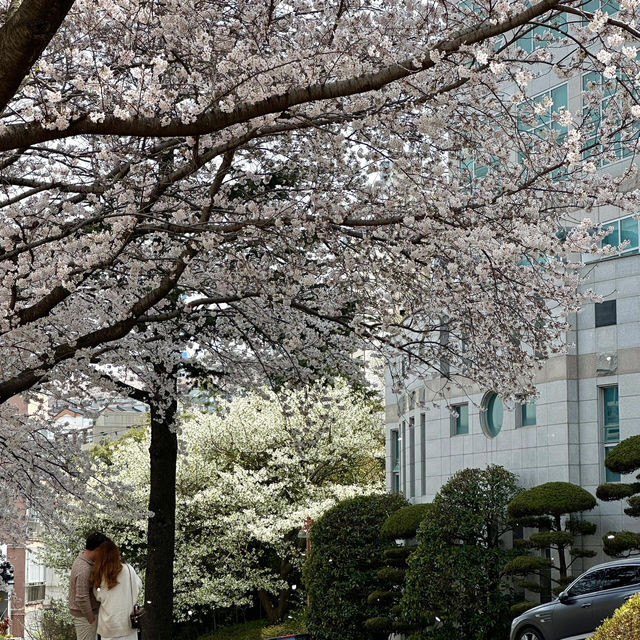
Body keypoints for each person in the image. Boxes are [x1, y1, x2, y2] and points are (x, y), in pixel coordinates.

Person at [91, 539, 142, 640]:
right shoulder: (129, 569)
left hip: (109, 626)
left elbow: (98, 596)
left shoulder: (100, 575)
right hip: (128, 624)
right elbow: (138, 586)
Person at [69, 532, 108, 640]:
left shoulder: (85, 561)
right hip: (84, 616)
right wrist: (90, 617)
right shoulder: (84, 568)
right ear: (98, 549)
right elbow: (81, 597)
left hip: (85, 614)